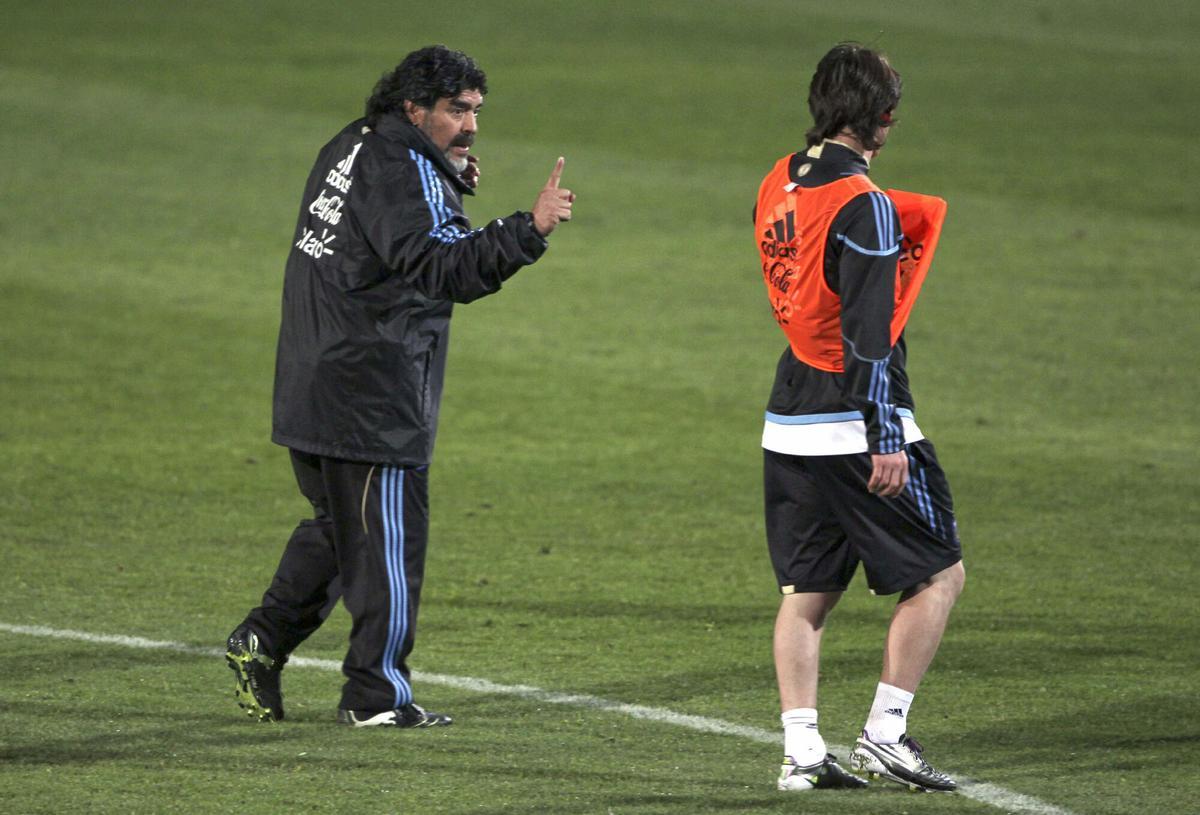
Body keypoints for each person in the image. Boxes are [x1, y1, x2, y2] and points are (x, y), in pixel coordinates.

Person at [224, 45, 574, 728]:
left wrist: (442, 172)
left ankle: (260, 641)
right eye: (455, 111)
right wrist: (527, 229)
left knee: (340, 531)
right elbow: (440, 265)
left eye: (475, 109)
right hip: (369, 391)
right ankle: (376, 695)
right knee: (386, 543)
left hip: (316, 373)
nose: (470, 124)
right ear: (414, 108)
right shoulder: (398, 165)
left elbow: (377, 235)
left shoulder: (353, 144)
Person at [754, 43, 965, 792]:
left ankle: (801, 751)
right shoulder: (866, 206)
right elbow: (868, 335)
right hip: (853, 422)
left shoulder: (778, 179)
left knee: (806, 594)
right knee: (940, 572)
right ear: (880, 117)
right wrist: (885, 436)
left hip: (788, 416)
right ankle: (886, 733)